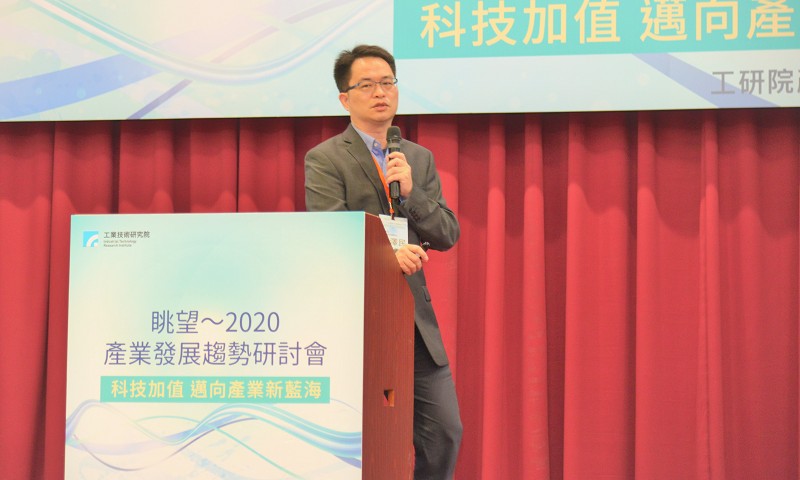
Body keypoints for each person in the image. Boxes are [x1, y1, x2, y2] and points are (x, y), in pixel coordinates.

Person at [304, 44, 462, 479]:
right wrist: (386, 256)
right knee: (364, 440)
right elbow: (328, 234)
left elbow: (446, 233)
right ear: (345, 98)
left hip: (414, 323)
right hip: (356, 320)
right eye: (367, 85)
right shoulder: (325, 159)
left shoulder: (417, 158)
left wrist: (412, 193)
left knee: (444, 433)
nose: (380, 92)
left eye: (387, 82)